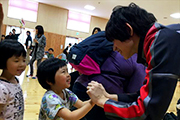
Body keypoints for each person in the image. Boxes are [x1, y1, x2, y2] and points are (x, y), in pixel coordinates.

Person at [87, 3, 180, 120]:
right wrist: (110, 97)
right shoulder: (156, 39)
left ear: (128, 30)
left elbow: (147, 113)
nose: (114, 48)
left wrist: (103, 101)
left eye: (114, 41)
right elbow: (144, 95)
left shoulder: (161, 43)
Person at [0, 40, 26, 119]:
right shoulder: (2, 87)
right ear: (3, 61)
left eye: (24, 60)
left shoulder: (15, 80)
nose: (22, 64)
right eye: (16, 61)